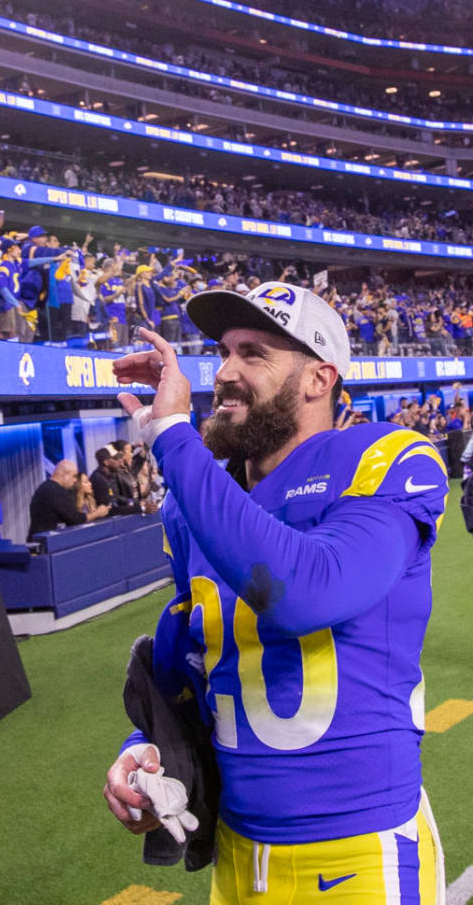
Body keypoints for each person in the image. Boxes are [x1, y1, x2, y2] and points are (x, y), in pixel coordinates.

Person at [103, 282, 447, 902]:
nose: (225, 372)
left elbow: (305, 593)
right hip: (237, 859)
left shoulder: (382, 456)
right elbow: (193, 666)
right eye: (224, 351)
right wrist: (145, 754)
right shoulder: (196, 505)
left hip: (360, 852)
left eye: (254, 354)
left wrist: (174, 437)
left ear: (319, 379)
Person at [27, 460, 89, 540]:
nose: (75, 480)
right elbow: (75, 519)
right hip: (46, 544)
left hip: (44, 541)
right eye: (74, 476)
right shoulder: (55, 491)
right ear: (66, 475)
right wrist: (97, 513)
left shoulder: (46, 487)